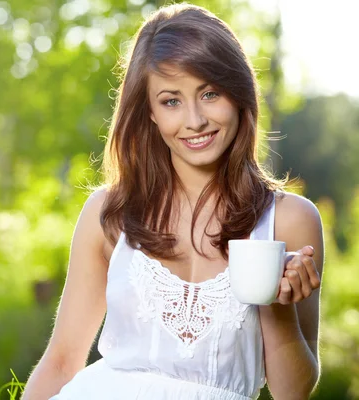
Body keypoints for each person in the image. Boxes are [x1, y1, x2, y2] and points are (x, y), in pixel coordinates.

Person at [22, 3, 323, 400]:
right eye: (171, 101)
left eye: (210, 93)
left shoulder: (289, 220)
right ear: (149, 111)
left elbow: (293, 393)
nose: (195, 120)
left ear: (238, 94)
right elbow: (61, 361)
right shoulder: (109, 213)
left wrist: (278, 303)